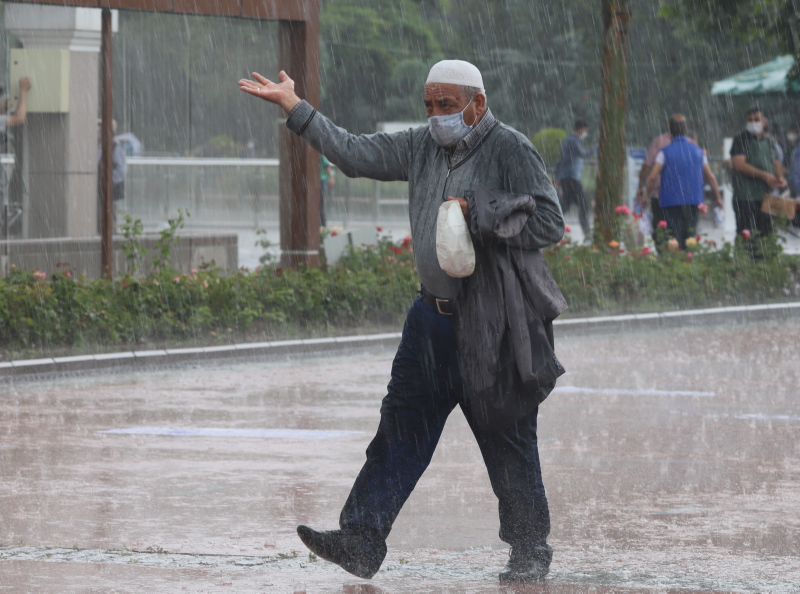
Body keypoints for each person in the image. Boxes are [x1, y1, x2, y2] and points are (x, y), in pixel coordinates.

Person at [239, 59, 565, 583]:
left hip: (493, 325)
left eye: (447, 105)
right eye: (429, 106)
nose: (437, 116)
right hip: (430, 322)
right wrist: (294, 108)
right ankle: (362, 539)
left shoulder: (510, 148)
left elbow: (550, 223)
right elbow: (352, 153)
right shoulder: (419, 145)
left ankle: (529, 548)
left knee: (508, 438)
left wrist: (480, 210)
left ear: (476, 104)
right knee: (399, 433)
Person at [645, 115, 721, 250]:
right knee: (690, 238)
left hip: (670, 202)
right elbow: (711, 176)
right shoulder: (698, 152)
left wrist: (646, 195)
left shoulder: (665, 152)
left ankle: (674, 265)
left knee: (672, 238)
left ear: (670, 134)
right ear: (686, 132)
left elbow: (652, 177)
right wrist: (718, 198)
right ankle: (688, 262)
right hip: (693, 201)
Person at [730, 107, 786, 240]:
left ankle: (764, 260)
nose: (753, 123)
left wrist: (781, 179)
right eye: (750, 120)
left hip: (766, 197)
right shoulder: (740, 140)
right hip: (745, 197)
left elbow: (776, 164)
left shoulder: (769, 143)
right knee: (746, 236)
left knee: (765, 235)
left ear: (764, 122)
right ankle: (744, 260)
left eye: (757, 120)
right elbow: (739, 165)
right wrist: (765, 176)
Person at [554, 119, 596, 238]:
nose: (585, 133)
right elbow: (583, 155)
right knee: (583, 204)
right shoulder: (573, 141)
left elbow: (560, 160)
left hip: (566, 178)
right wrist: (597, 148)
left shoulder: (567, 140)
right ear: (581, 129)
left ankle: (548, 225)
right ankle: (587, 234)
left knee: (565, 205)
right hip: (571, 178)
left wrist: (557, 176)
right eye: (585, 131)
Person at [636, 127, 671, 243]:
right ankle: (679, 256)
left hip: (659, 195)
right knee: (679, 232)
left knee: (658, 229)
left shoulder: (659, 142)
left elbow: (648, 169)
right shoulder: (691, 143)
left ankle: (663, 255)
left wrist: (642, 188)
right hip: (684, 197)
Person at [96, 119, 127, 233]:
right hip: (101, 189)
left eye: (99, 129)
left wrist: (108, 180)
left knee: (109, 217)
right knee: (101, 217)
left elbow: (121, 170)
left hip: (110, 189)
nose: (97, 132)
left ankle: (110, 241)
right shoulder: (100, 146)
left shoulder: (115, 147)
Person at [320, 154, 334, 227]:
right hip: (316, 182)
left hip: (320, 182)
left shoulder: (318, 152)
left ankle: (322, 227)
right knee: (319, 207)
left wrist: (331, 178)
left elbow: (326, 165)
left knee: (320, 207)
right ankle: (322, 227)